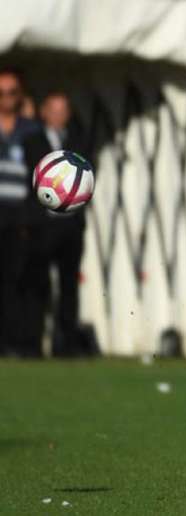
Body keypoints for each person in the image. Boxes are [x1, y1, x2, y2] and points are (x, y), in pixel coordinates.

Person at [22, 92, 89, 357]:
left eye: (63, 110)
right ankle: (32, 344)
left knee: (69, 286)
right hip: (42, 226)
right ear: (43, 112)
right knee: (37, 284)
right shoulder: (32, 143)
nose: (58, 115)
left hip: (71, 227)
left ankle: (67, 344)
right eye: (53, 109)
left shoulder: (79, 143)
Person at [0, 68, 38, 357]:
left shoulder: (30, 130)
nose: (6, 98)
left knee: (17, 279)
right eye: (1, 93)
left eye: (12, 92)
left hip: (19, 214)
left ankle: (16, 341)